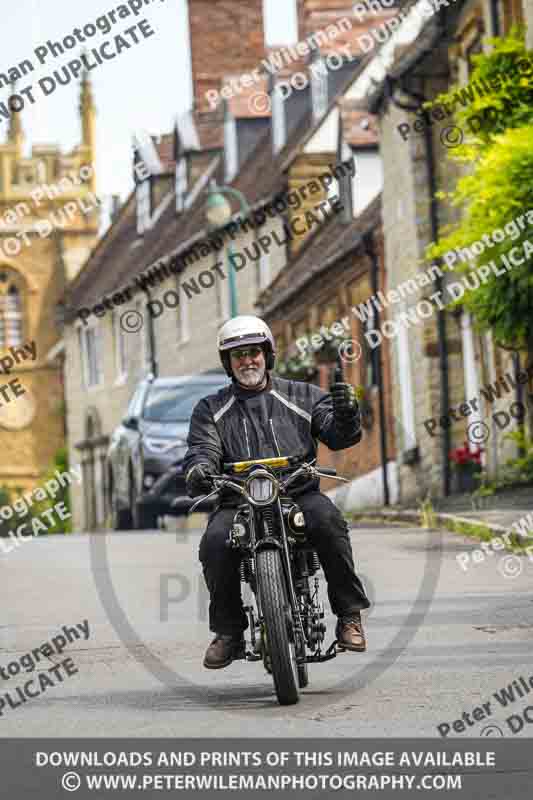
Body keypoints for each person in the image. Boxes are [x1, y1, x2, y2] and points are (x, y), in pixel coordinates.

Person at [183, 315, 370, 669]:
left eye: (254, 352)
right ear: (228, 363)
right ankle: (229, 632)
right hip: (238, 500)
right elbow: (201, 449)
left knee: (328, 521)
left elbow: (338, 435)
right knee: (214, 542)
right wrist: (200, 469)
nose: (247, 361)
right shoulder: (210, 409)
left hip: (297, 493)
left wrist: (347, 416)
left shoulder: (303, 395)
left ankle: (349, 616)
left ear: (267, 355)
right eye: (238, 355)